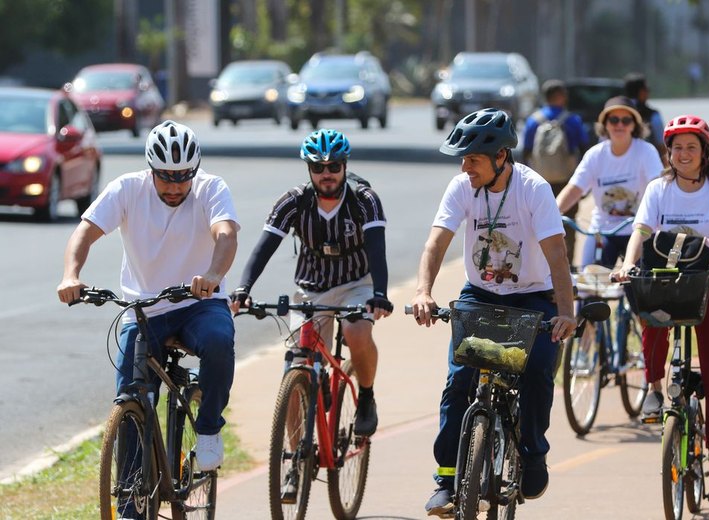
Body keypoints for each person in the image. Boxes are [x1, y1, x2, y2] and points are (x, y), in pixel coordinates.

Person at [56, 120, 239, 514]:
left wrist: (212, 276)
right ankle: (130, 503)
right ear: (151, 170)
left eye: (183, 177)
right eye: (166, 178)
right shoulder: (127, 189)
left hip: (198, 301)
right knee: (130, 399)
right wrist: (71, 275)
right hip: (144, 309)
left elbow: (226, 235)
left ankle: (207, 429)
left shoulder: (211, 188)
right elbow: (84, 233)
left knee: (219, 342)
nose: (175, 186)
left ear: (195, 170)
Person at [411, 107, 577, 517]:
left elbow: (556, 254)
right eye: (462, 159)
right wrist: (423, 291)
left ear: (501, 156)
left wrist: (566, 311)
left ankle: (534, 455)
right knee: (458, 382)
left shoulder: (533, 189)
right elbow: (436, 244)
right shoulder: (461, 186)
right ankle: (446, 479)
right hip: (481, 294)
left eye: (473, 159)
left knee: (538, 369)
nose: (465, 166)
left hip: (533, 297)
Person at [613, 114, 709, 502]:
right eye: (677, 147)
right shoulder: (658, 189)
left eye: (691, 147)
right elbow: (641, 231)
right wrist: (626, 265)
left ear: (704, 153)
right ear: (667, 153)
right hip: (668, 275)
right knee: (650, 314)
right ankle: (653, 388)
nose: (683, 154)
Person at [231, 128, 392, 437]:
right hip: (310, 287)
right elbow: (264, 247)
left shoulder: (364, 200)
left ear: (345, 165)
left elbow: (377, 249)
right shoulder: (294, 201)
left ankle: (367, 396)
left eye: (334, 166)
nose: (326, 174)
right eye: (318, 168)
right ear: (309, 169)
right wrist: (244, 289)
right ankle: (292, 466)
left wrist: (380, 294)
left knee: (356, 330)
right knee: (297, 364)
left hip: (355, 283)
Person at [555, 95, 662, 269]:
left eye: (626, 120)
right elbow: (575, 189)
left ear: (634, 125)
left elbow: (657, 187)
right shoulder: (595, 155)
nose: (619, 125)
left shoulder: (646, 151)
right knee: (590, 283)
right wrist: (551, 213)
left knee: (642, 287)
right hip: (602, 230)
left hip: (639, 229)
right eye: (613, 120)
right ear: (605, 124)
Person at [521, 79, 589, 265]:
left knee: (538, 223)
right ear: (561, 96)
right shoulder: (572, 120)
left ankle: (543, 266)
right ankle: (568, 265)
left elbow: (525, 152)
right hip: (567, 181)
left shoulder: (533, 121)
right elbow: (584, 149)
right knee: (568, 221)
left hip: (539, 182)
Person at [624, 72, 667, 164]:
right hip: (649, 164)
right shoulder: (653, 115)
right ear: (641, 92)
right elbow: (661, 145)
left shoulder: (616, 114)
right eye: (647, 89)